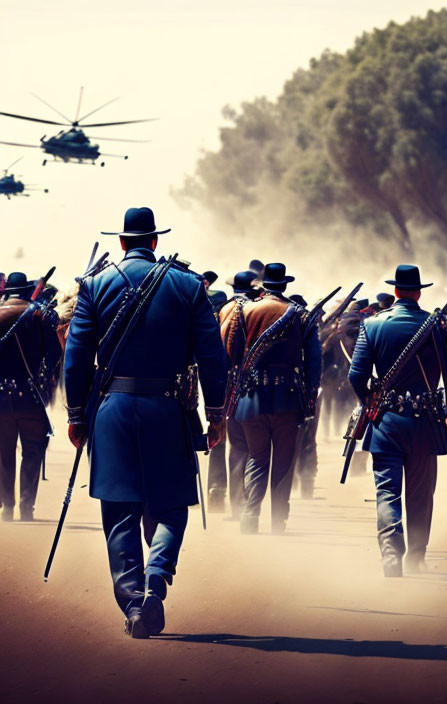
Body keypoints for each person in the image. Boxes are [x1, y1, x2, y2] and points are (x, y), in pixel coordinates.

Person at [64, 206, 228, 639]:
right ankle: (158, 575)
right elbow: (213, 359)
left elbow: (76, 358)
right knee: (172, 505)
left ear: (122, 242)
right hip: (168, 409)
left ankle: (135, 604)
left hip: (112, 412)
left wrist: (77, 415)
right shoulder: (189, 286)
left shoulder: (94, 285)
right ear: (153, 242)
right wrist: (216, 416)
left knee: (120, 511)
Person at [348, 265, 447, 577]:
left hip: (385, 423)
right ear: (419, 292)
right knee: (421, 495)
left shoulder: (372, 325)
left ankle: (391, 555)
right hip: (425, 422)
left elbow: (356, 375)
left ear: (396, 291)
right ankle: (417, 557)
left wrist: (369, 401)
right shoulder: (438, 326)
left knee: (387, 491)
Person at [222, 263, 321, 534]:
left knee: (257, 457)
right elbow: (313, 362)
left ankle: (250, 516)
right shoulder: (300, 315)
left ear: (263, 285)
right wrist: (311, 396)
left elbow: (232, 354)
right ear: (285, 285)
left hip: (250, 398)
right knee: (284, 461)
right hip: (288, 399)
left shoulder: (245, 310)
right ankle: (279, 520)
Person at [0, 272, 62, 521]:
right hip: (30, 396)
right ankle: (27, 508)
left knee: (4, 454)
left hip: (1, 397)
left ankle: (7, 507)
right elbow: (55, 354)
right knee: (33, 453)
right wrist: (44, 379)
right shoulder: (39, 315)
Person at [211, 270, 257, 518]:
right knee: (249, 444)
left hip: (225, 383)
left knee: (223, 440)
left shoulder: (223, 310)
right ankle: (247, 503)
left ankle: (220, 495)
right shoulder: (257, 309)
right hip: (252, 385)